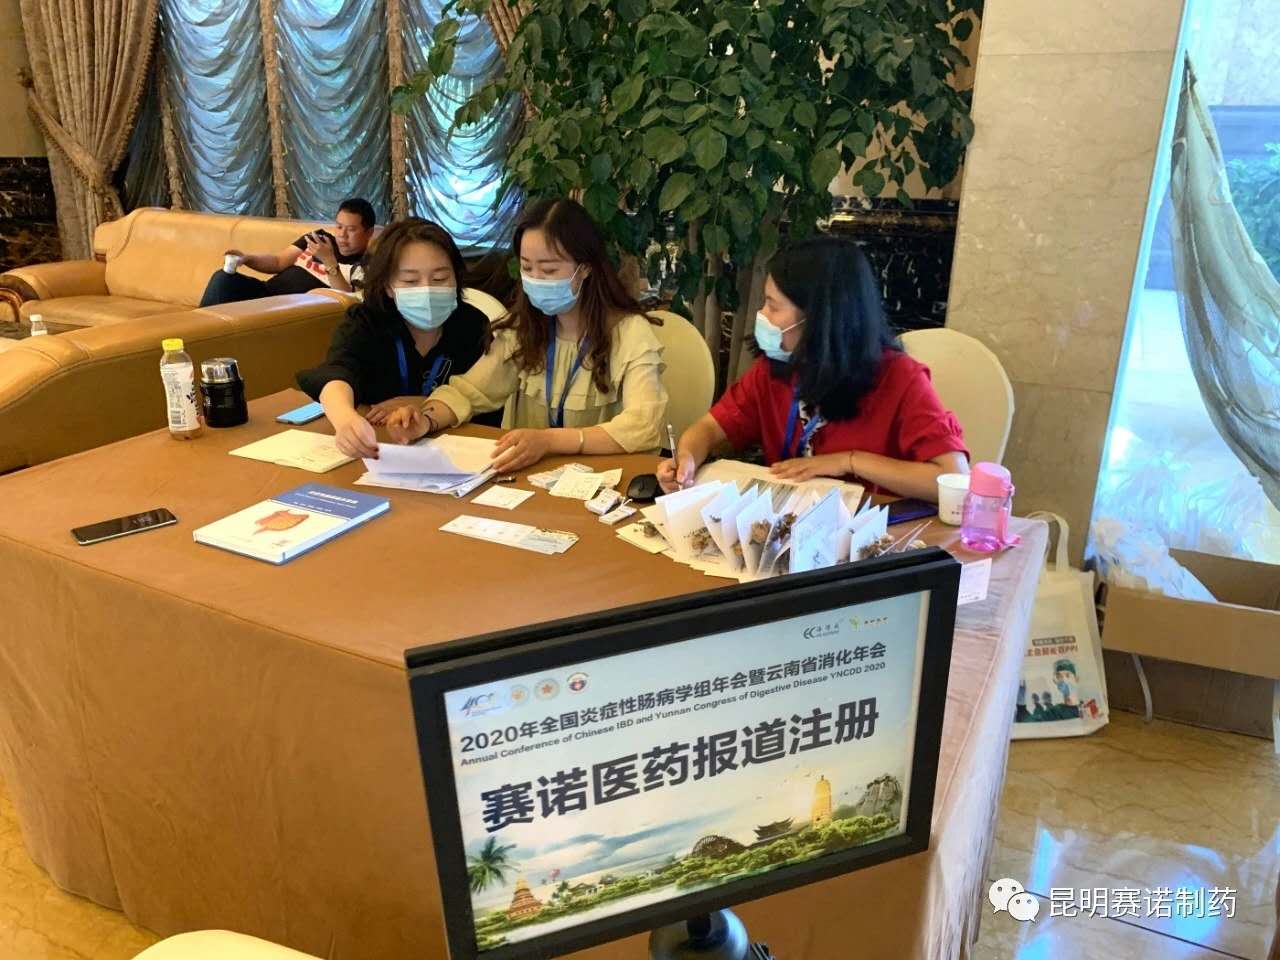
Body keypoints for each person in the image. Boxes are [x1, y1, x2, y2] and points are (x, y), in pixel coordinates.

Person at [657, 237, 968, 501]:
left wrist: (849, 461)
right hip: (789, 526)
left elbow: (953, 480)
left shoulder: (900, 378)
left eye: (773, 306)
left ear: (820, 316)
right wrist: (687, 459)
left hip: (872, 535)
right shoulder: (777, 366)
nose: (762, 315)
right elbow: (709, 429)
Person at [386, 198, 667, 473]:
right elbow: (470, 392)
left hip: (603, 479)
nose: (535, 278)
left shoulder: (630, 333)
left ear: (585, 268)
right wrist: (426, 421)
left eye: (549, 269)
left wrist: (549, 441)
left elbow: (643, 425)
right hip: (530, 478)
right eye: (527, 267)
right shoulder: (525, 329)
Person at [295, 218, 495, 458]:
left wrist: (422, 402)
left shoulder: (473, 325)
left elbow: (485, 399)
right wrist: (345, 419)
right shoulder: (366, 320)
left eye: (440, 279)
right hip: (378, 446)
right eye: (410, 281)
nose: (426, 290)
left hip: (455, 450)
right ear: (388, 286)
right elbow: (337, 371)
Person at [199, 198, 377, 306]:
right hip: (266, 293)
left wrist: (329, 261)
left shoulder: (365, 263)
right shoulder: (318, 238)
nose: (342, 235)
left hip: (288, 312)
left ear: (369, 232)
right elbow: (278, 261)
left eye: (351, 230)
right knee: (223, 279)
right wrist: (247, 258)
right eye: (339, 226)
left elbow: (347, 301)